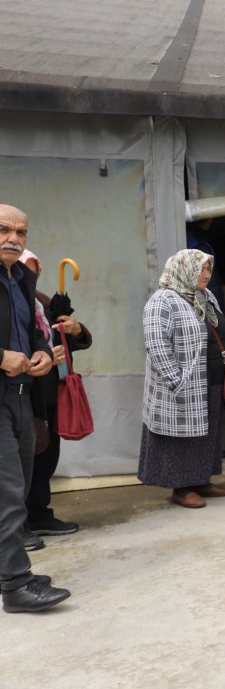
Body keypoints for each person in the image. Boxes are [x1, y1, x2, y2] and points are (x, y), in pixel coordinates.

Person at [0, 205, 68, 613]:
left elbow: (33, 332)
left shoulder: (23, 279)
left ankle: (8, 569)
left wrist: (42, 352)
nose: (13, 238)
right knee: (8, 493)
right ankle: (16, 585)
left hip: (23, 396)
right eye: (4, 229)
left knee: (21, 488)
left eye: (21, 232)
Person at [138, 249, 225, 509]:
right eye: (201, 269)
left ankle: (201, 479)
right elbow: (157, 346)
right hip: (182, 384)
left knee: (207, 433)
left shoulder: (205, 296)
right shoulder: (162, 301)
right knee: (181, 437)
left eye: (208, 269)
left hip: (211, 378)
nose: (206, 274)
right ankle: (181, 487)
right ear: (183, 269)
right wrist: (176, 382)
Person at [20, 251, 92, 542]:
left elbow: (69, 338)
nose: (27, 276)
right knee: (21, 460)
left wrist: (75, 329)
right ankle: (17, 525)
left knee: (47, 454)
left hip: (50, 392)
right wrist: (45, 355)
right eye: (21, 269)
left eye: (32, 270)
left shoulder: (41, 301)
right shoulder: (9, 303)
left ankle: (38, 514)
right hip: (22, 395)